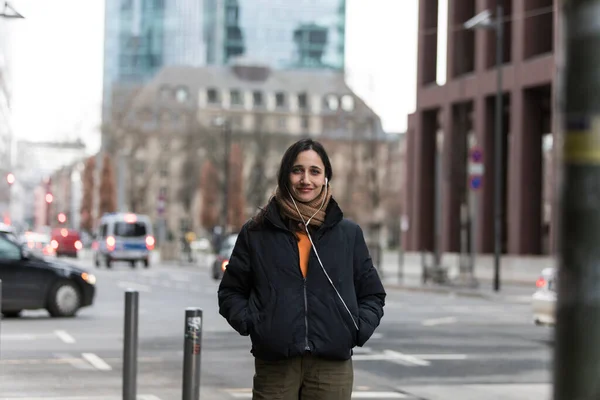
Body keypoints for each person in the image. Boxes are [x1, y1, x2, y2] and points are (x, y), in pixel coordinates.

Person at [218, 138, 386, 399]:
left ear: (326, 178)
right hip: (275, 363)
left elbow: (373, 294)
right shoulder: (257, 232)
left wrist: (355, 330)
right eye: (297, 170)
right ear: (286, 175)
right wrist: (256, 325)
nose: (305, 179)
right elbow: (230, 292)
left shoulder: (348, 234)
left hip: (331, 366)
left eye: (314, 171)